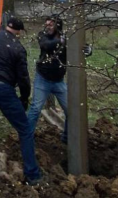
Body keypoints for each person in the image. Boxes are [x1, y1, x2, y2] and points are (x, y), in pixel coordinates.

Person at [0, 17, 41, 186]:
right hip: (3, 88)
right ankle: (32, 175)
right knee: (25, 130)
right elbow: (23, 78)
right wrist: (24, 99)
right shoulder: (18, 48)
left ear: (7, 26)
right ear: (19, 31)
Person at [27, 15, 92, 143]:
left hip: (58, 81)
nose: (47, 27)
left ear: (58, 26)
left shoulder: (65, 39)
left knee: (71, 110)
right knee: (35, 109)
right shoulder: (43, 35)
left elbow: (79, 48)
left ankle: (66, 137)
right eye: (46, 24)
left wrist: (88, 50)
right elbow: (47, 45)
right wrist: (66, 41)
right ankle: (27, 138)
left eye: (50, 25)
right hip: (43, 79)